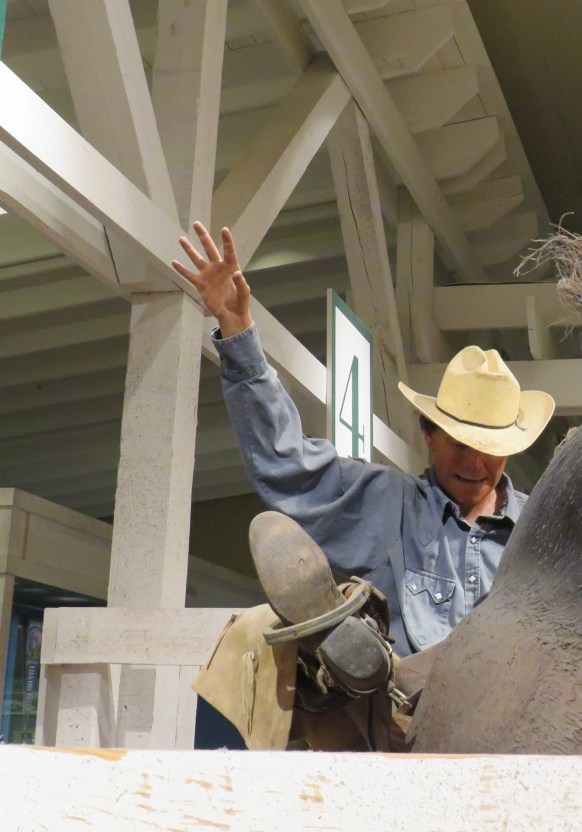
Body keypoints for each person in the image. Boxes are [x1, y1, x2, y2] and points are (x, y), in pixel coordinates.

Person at [174, 222, 555, 747]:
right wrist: (237, 329)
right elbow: (286, 462)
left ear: (510, 448)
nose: (474, 462)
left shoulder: (542, 532)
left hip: (511, 739)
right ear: (429, 436)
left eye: (488, 447)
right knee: (264, 633)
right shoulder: (385, 502)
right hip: (403, 741)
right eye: (459, 444)